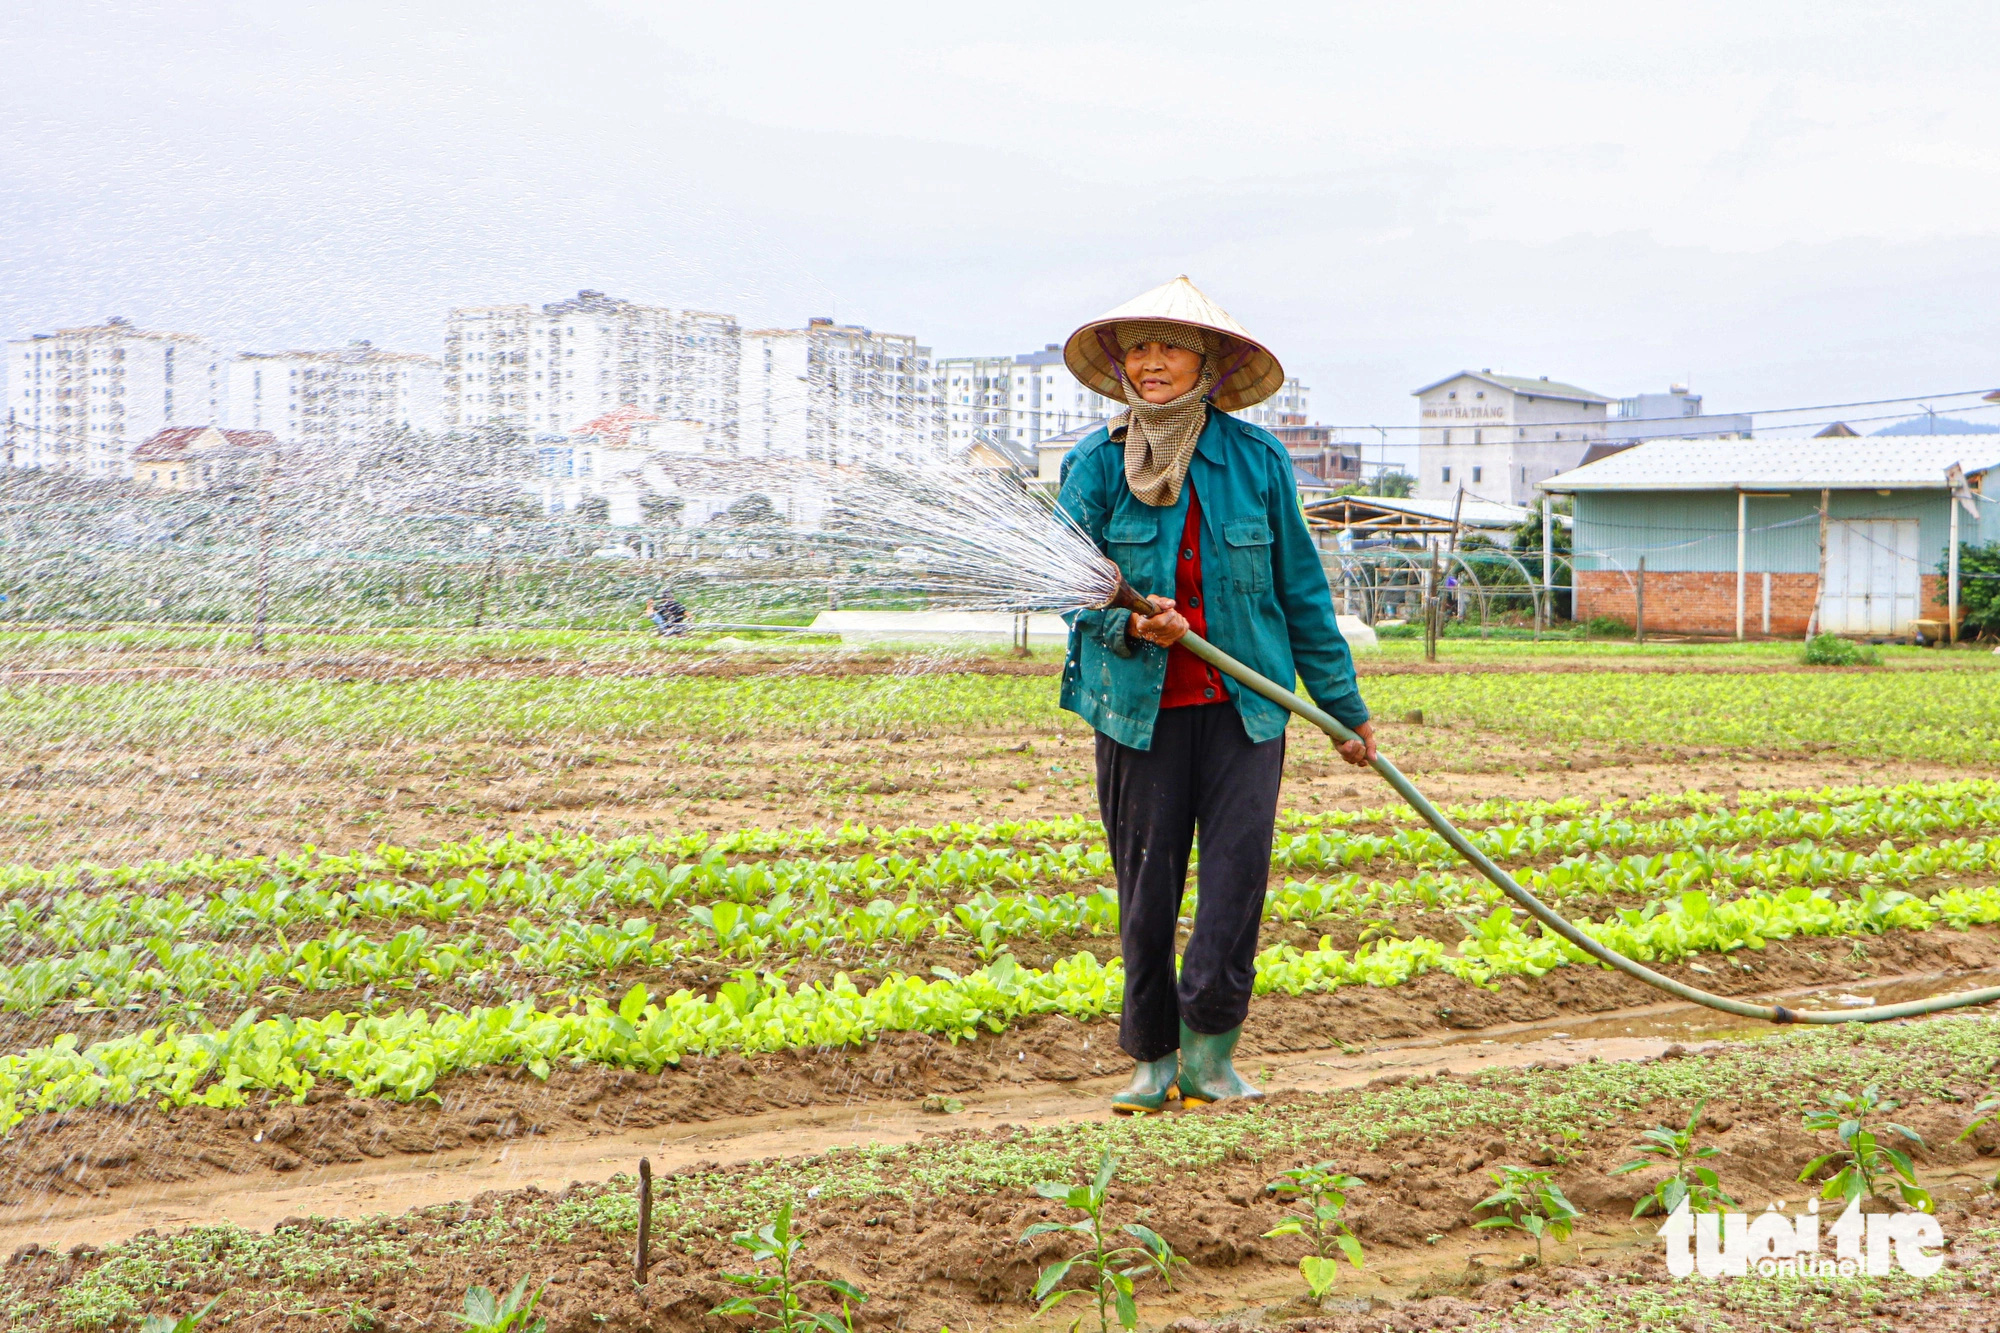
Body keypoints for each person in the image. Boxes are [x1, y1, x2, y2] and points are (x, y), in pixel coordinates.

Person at [1054, 276, 1376, 1114]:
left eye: (1171, 347)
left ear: (1207, 365)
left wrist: (1343, 709)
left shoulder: (1257, 462)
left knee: (1235, 884)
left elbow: (1300, 592)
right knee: (1147, 888)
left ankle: (1211, 1057)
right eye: (1139, 347)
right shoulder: (1092, 466)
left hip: (1246, 712)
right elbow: (1069, 591)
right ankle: (1151, 1062)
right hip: (1136, 712)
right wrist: (1132, 626)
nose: (1151, 362)